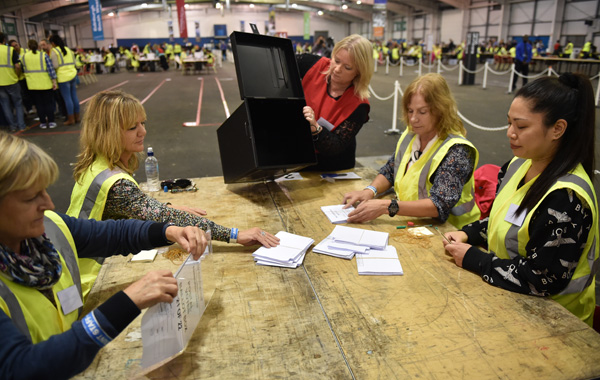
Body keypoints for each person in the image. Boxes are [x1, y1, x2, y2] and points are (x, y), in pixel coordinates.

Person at [0, 131, 209, 379]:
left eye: (44, 191)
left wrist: (169, 231)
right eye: (30, 197)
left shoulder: (48, 227)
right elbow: (21, 367)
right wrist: (125, 303)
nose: (48, 204)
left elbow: (113, 234)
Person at [68, 90, 280, 300]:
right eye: (133, 127)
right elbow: (172, 220)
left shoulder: (96, 164)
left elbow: (135, 206)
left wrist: (166, 208)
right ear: (107, 132)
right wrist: (236, 235)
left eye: (143, 123)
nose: (142, 132)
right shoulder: (117, 185)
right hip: (89, 280)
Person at [443, 73, 598, 326]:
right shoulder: (518, 165)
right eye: (509, 123)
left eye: (521, 126)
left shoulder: (567, 199)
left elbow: (540, 278)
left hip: (555, 322)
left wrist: (474, 258)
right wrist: (468, 234)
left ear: (557, 129)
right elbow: (503, 220)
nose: (510, 134)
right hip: (507, 301)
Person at [342, 73, 480, 228]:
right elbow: (391, 169)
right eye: (410, 111)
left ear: (441, 110)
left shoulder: (458, 151)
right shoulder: (411, 134)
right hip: (414, 221)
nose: (413, 119)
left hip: (452, 232)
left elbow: (439, 205)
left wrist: (385, 206)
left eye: (422, 112)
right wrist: (370, 190)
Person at [297, 34, 374, 171]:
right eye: (336, 61)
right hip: (299, 156)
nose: (337, 69)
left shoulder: (359, 105)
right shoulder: (312, 65)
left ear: (359, 72)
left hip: (333, 167)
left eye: (347, 67)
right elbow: (281, 63)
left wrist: (315, 127)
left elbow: (335, 147)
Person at [22, 39, 58, 129]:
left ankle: (42, 122)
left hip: (32, 85)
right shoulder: (43, 55)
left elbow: (23, 69)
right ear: (37, 46)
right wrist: (54, 82)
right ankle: (51, 121)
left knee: (38, 104)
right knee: (48, 103)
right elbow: (50, 69)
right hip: (45, 83)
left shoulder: (24, 57)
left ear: (28, 47)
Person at [49, 34, 80, 125]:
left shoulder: (54, 51)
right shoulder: (68, 50)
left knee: (67, 98)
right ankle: (77, 117)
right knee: (74, 96)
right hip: (73, 74)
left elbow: (55, 65)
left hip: (63, 77)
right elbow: (74, 62)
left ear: (53, 43)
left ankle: (71, 119)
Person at [0, 32, 26, 132]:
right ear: (4, 40)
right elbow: (18, 66)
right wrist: (17, 75)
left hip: (0, 83)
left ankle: (12, 126)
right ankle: (21, 125)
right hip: (11, 80)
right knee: (18, 103)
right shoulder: (10, 50)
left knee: (5, 104)